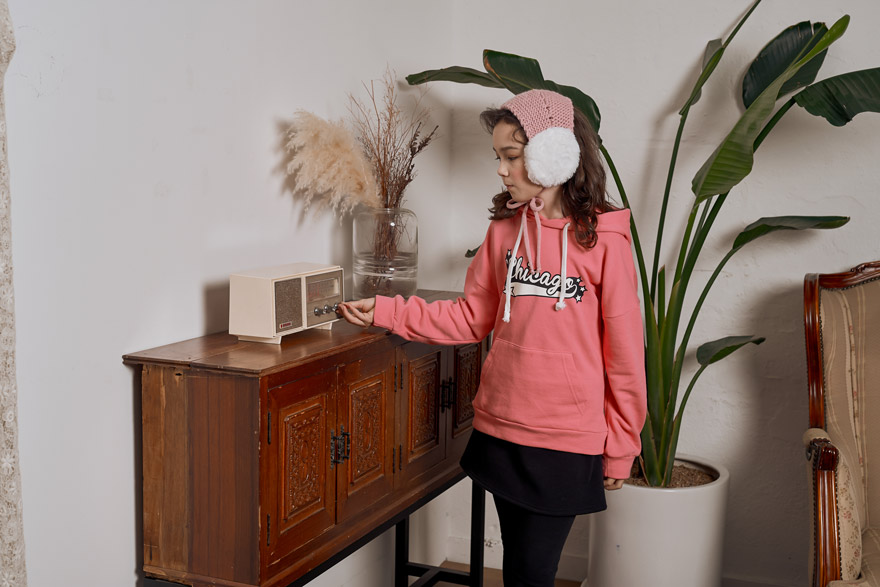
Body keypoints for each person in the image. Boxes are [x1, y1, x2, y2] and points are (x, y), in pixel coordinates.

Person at [339, 89, 646, 587]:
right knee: (518, 569)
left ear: (553, 154)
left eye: (512, 156)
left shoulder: (603, 241)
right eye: (498, 157)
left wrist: (622, 443)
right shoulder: (505, 231)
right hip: (502, 428)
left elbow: (625, 354)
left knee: (533, 572)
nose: (502, 170)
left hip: (566, 439)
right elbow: (470, 318)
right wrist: (388, 311)